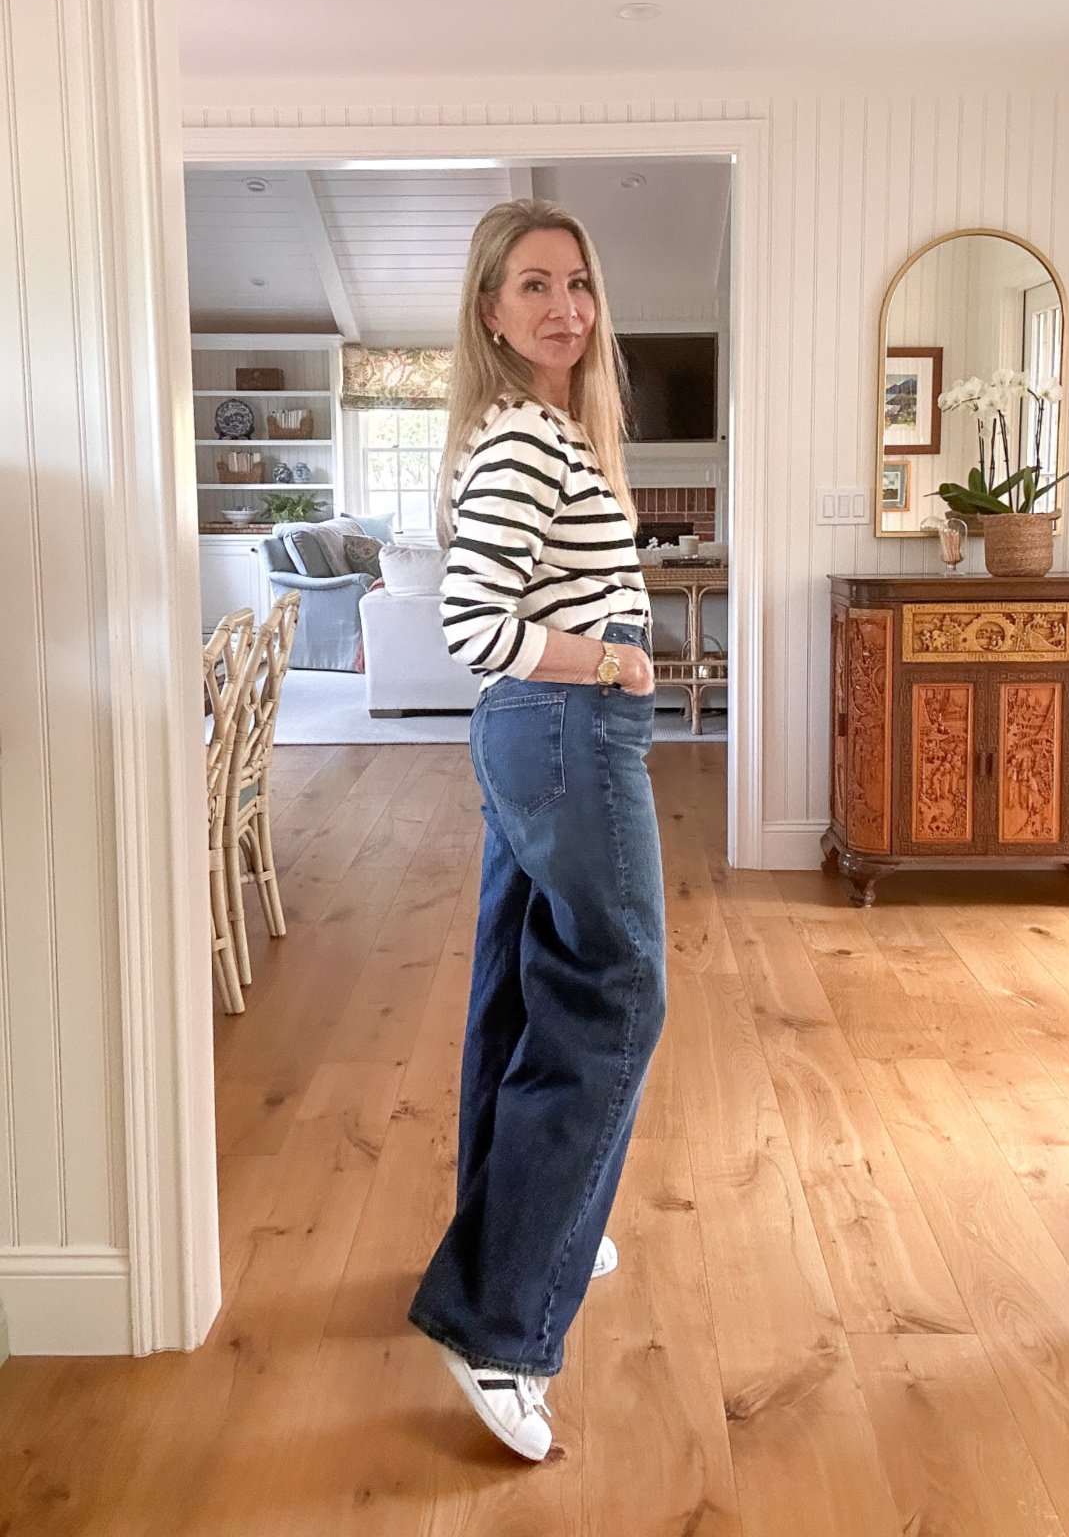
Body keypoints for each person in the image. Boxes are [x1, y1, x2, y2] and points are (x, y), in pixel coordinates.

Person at [407, 199, 667, 1461]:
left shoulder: (532, 431)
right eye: (534, 286)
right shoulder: (523, 436)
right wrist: (616, 664)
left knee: (517, 995)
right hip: (564, 727)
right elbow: (472, 625)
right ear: (492, 310)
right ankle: (504, 1325)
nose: (565, 306)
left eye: (578, 281)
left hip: (537, 735)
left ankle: (531, 1223)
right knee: (617, 996)